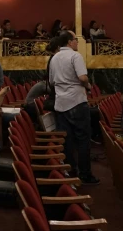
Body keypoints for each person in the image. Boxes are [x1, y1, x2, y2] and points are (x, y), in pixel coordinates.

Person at [49, 31, 99, 185]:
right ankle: (85, 174)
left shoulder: (54, 57)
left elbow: (51, 82)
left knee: (67, 140)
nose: (78, 42)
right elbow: (82, 77)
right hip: (77, 101)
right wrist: (88, 86)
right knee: (83, 139)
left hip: (60, 103)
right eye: (76, 40)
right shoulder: (75, 56)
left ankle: (70, 171)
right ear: (70, 42)